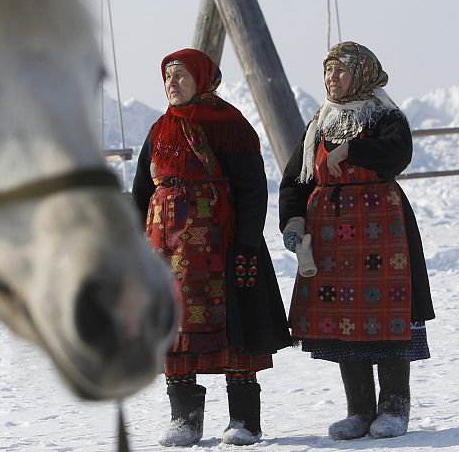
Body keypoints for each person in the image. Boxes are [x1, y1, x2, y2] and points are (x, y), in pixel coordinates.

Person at [132, 48, 292, 447]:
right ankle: (185, 420)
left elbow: (252, 189)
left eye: (181, 75)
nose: (172, 83)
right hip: (165, 250)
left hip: (221, 245)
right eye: (167, 76)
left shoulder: (230, 126)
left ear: (202, 79)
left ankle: (244, 422)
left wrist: (247, 243)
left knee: (233, 329)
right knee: (175, 331)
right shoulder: (159, 130)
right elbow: (141, 190)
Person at [278, 41, 435, 440]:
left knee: (387, 316)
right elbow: (296, 179)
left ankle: (395, 407)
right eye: (328, 71)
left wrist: (353, 148)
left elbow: (398, 153)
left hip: (381, 229)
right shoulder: (319, 122)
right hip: (331, 236)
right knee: (346, 320)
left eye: (341, 71)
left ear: (362, 74)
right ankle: (360, 410)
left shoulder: (384, 115)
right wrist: (293, 221)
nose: (332, 79)